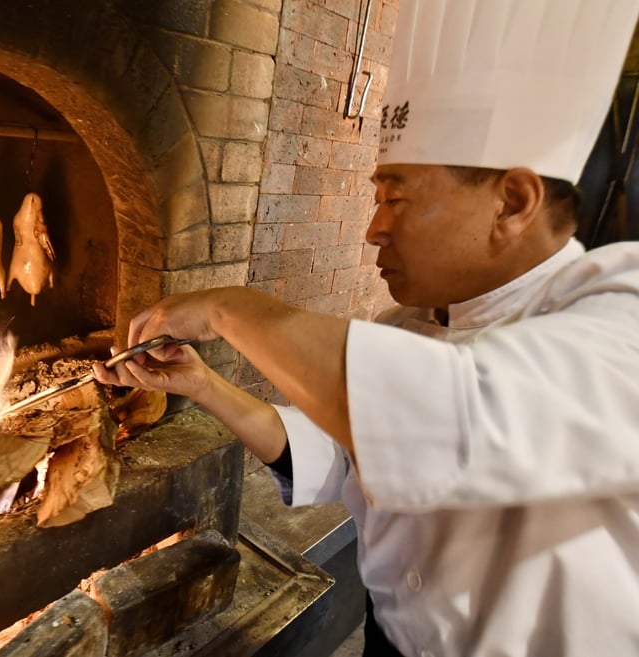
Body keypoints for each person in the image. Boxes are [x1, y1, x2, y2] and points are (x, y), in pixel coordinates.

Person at [92, 1, 639, 655]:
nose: (375, 227)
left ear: (513, 201)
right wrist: (204, 384)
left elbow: (453, 414)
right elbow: (339, 455)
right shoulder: (409, 327)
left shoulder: (619, 315)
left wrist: (226, 308)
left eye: (397, 197)